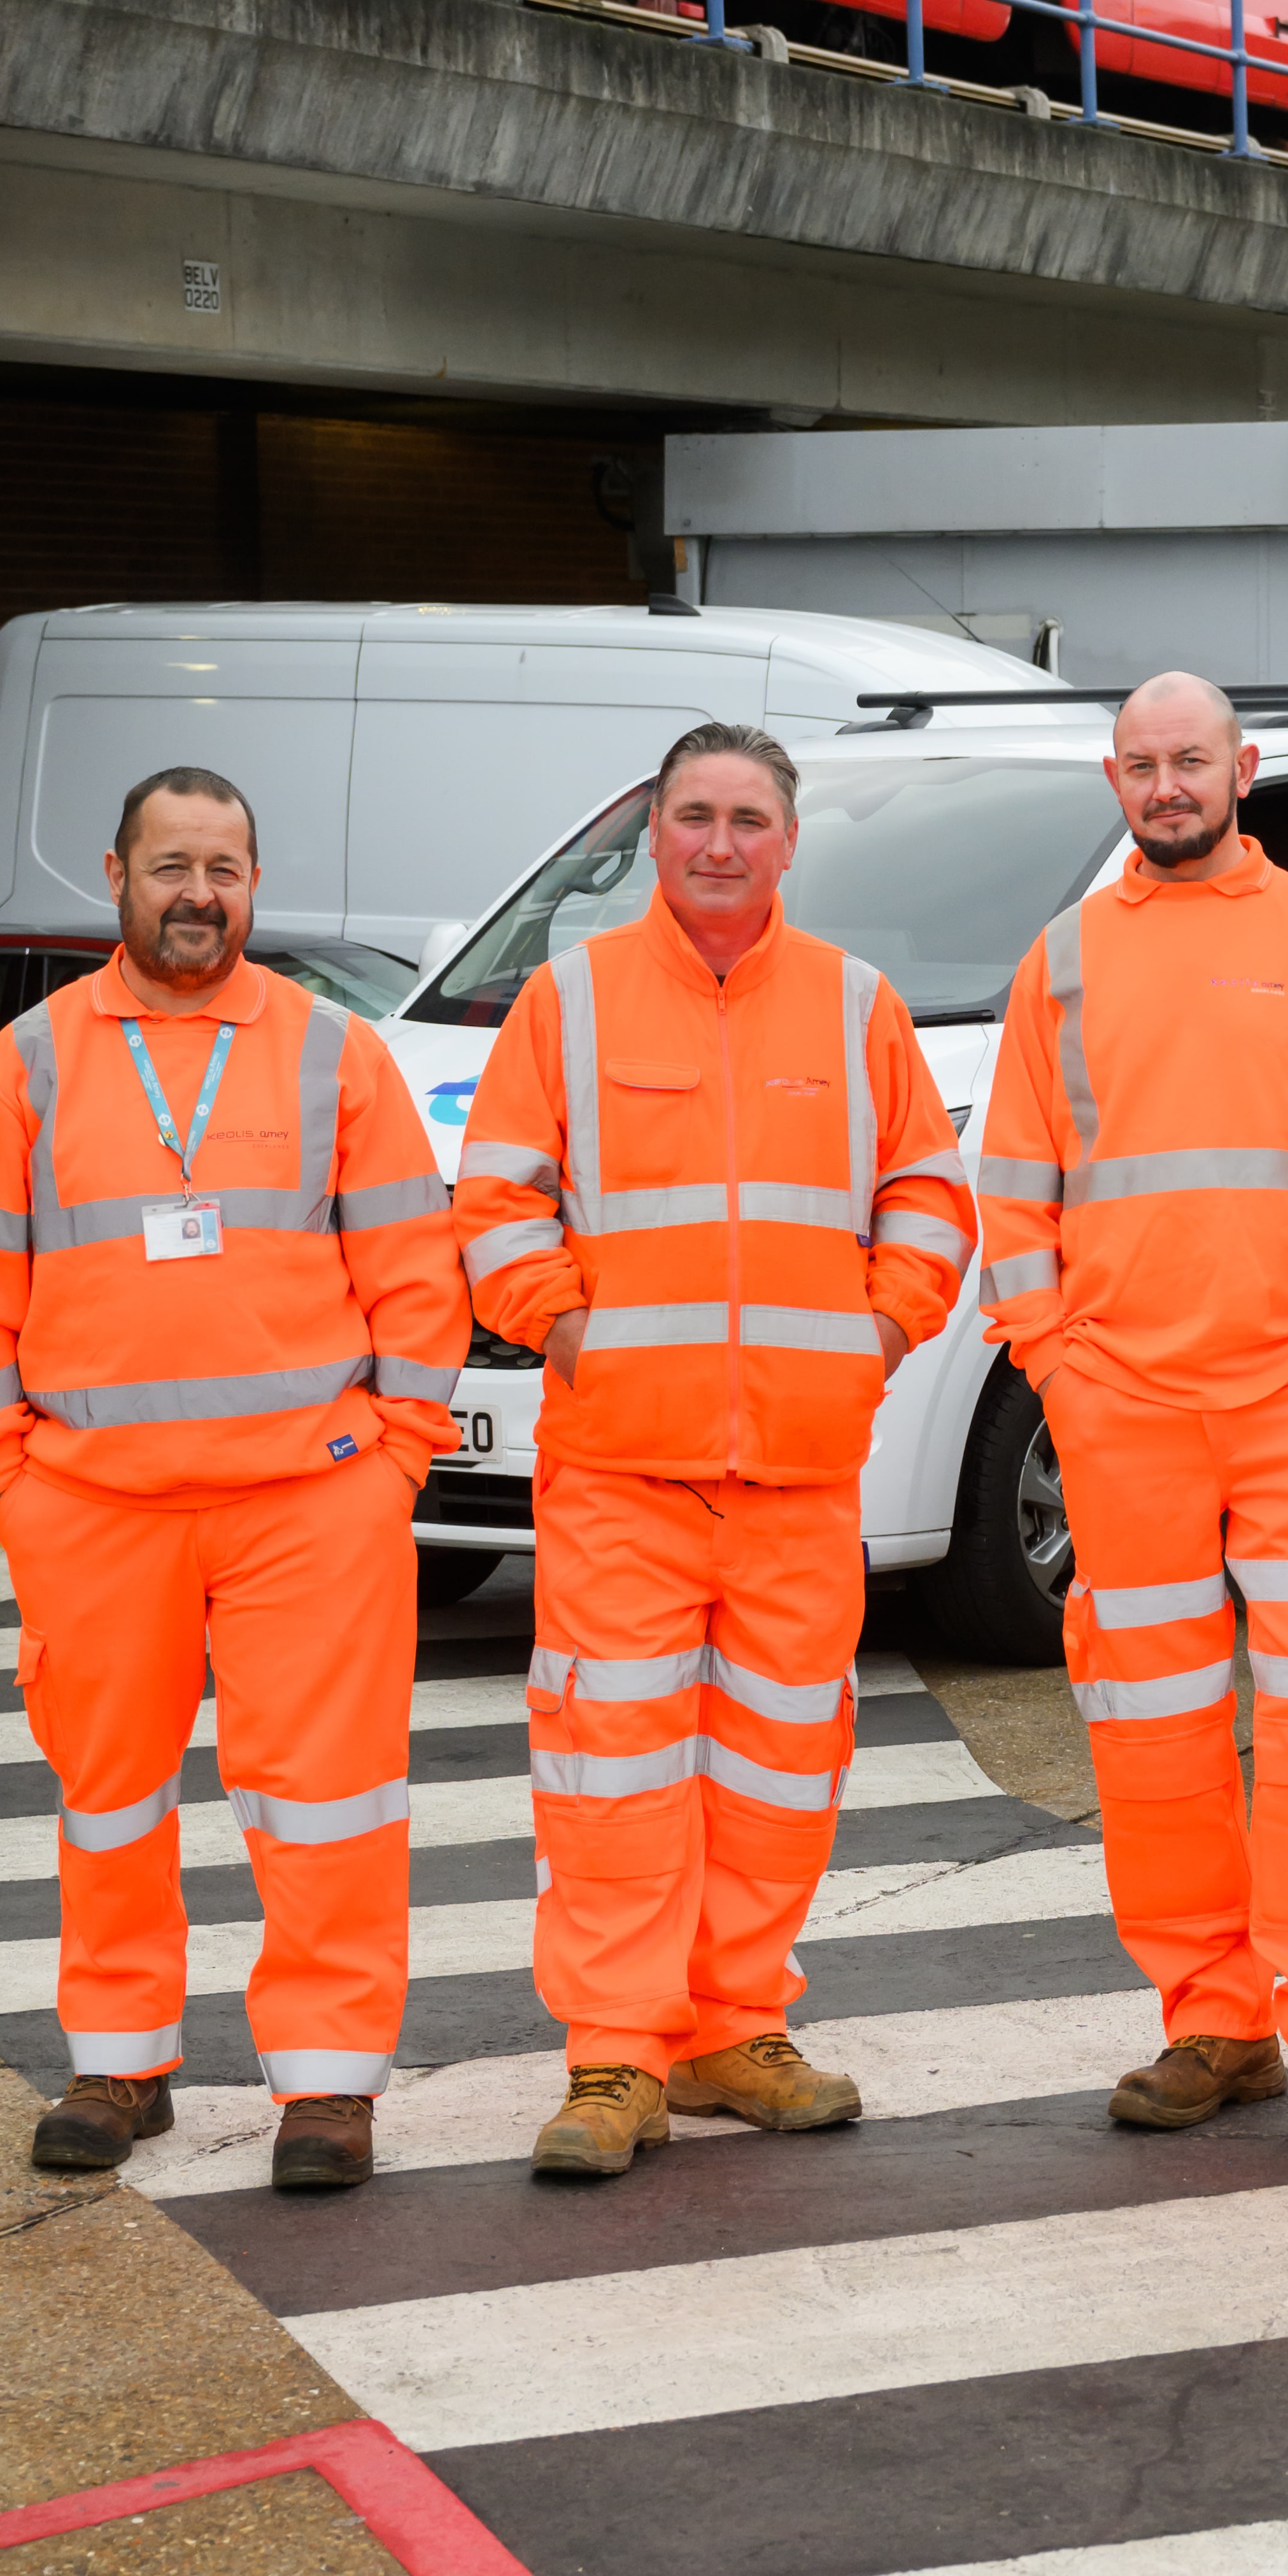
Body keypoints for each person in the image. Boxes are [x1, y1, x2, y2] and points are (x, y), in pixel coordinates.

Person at [0, 766, 469, 2195]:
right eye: (171, 866)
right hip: (91, 1509)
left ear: (255, 885)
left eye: (224, 867)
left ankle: (329, 2087)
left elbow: (416, 1281)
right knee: (109, 1795)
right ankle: (120, 2063)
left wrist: (392, 1460)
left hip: (309, 1503)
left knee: (330, 1798)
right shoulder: (26, 1064)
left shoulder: (336, 1055)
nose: (198, 895)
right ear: (115, 874)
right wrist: (9, 1482)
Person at [453, 723, 975, 2182]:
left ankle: (732, 2024)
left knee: (776, 1773)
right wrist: (561, 1328)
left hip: (801, 1476)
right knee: (611, 1772)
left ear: (791, 841)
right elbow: (497, 1194)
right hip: (623, 1468)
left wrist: (878, 1337)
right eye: (694, 815)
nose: (722, 841)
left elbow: (930, 1196)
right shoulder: (571, 1001)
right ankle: (616, 2054)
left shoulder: (856, 1005)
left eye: (749, 816)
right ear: (654, 836)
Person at [976, 670, 1288, 2164]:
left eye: (1190, 761)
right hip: (1122, 1410)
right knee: (1152, 1729)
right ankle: (1214, 2017)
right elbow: (1015, 1190)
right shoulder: (1057, 965)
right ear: (1111, 782)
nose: (1166, 786)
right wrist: (1055, 1360)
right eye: (1139, 766)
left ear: (1241, 768)